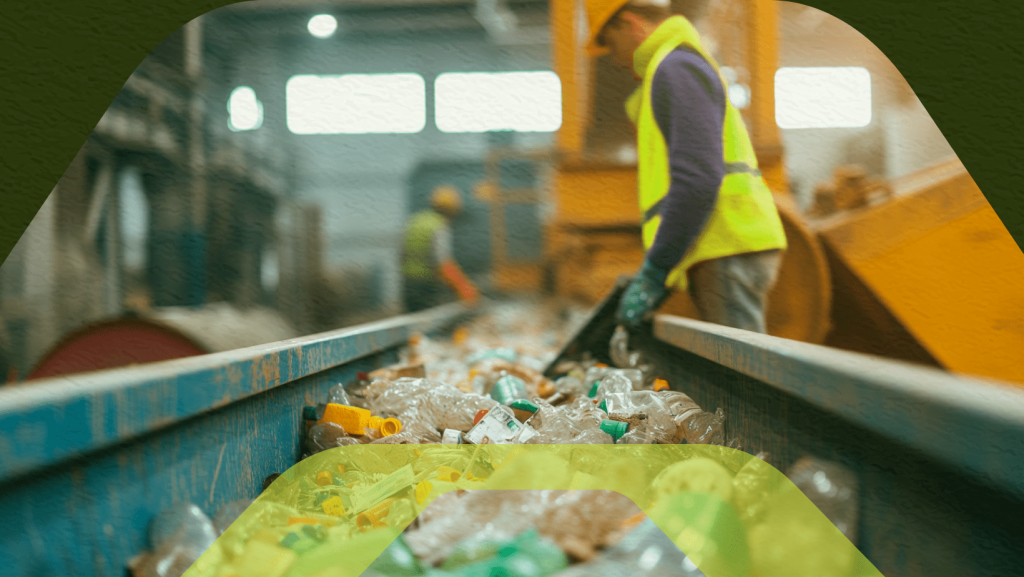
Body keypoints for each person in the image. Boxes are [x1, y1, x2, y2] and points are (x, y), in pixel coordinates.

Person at [586, 0, 788, 333]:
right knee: (733, 372)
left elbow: (698, 180)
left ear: (630, 24)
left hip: (725, 244)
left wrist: (657, 267)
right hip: (722, 245)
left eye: (609, 41)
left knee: (741, 378)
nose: (612, 55)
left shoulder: (676, 67)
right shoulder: (671, 68)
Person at [401, 185, 480, 313]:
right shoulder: (438, 226)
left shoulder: (415, 221)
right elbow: (443, 263)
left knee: (413, 324)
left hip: (408, 284)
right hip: (426, 286)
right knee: (427, 325)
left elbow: (402, 253)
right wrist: (464, 288)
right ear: (453, 209)